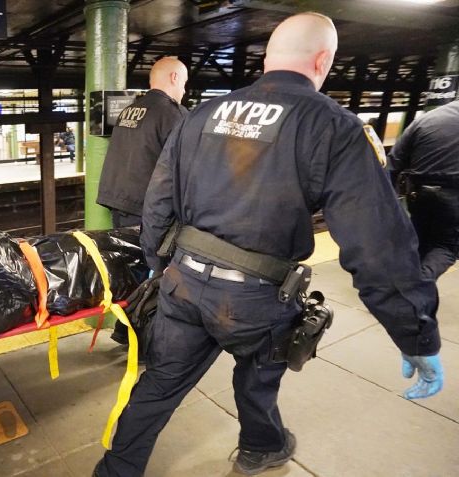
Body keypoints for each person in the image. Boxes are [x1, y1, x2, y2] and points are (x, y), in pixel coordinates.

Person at [94, 12, 444, 477]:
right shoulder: (333, 126)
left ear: (267, 58)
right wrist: (414, 332)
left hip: (184, 282)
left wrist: (164, 269)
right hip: (256, 297)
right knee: (258, 375)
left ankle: (116, 470)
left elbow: (158, 201)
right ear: (323, 61)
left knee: (158, 383)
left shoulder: (201, 115)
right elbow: (378, 243)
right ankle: (261, 448)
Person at [96, 56, 189, 345]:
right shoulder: (172, 115)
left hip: (120, 201)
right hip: (149, 208)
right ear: (174, 78)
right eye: (184, 83)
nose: (184, 90)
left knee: (132, 269)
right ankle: (145, 337)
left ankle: (125, 329)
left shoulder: (130, 109)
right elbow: (184, 168)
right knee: (158, 272)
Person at [388, 100, 459, 280]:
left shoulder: (427, 119)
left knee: (416, 242)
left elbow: (393, 163)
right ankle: (420, 284)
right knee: (445, 247)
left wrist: (384, 203)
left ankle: (402, 283)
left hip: (419, 194)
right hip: (453, 197)